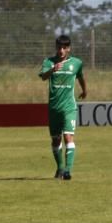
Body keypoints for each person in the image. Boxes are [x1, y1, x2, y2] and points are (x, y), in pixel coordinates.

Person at [39, 34, 87, 180]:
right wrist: (52, 69)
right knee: (55, 140)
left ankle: (67, 171)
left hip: (69, 107)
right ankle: (60, 168)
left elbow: (80, 77)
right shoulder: (49, 62)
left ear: (69, 49)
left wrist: (85, 90)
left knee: (68, 137)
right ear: (56, 48)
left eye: (64, 48)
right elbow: (43, 77)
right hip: (54, 108)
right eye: (59, 47)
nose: (61, 50)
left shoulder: (76, 63)